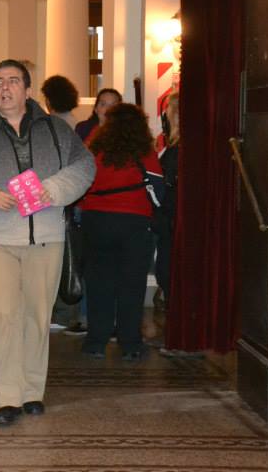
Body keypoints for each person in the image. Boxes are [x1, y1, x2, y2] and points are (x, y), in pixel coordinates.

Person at [0, 60, 95, 426]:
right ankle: (8, 396)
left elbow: (85, 166)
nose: (5, 88)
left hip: (45, 238)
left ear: (28, 90)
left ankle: (32, 391)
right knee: (2, 316)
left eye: (13, 81)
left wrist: (54, 189)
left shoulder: (57, 129)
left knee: (37, 317)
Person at [78, 103, 165, 362]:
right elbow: (157, 191)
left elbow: (80, 182)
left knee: (99, 283)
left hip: (97, 221)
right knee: (132, 284)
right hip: (134, 224)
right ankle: (130, 344)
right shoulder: (144, 152)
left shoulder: (94, 149)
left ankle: (96, 342)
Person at [40, 75, 87, 336]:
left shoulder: (52, 125)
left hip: (56, 198)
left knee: (62, 257)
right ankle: (68, 312)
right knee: (72, 256)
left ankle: (61, 312)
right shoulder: (77, 123)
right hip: (73, 197)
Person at [153, 93, 179, 308]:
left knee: (168, 267)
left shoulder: (175, 151)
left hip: (169, 218)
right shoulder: (174, 149)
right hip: (169, 219)